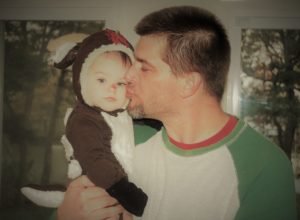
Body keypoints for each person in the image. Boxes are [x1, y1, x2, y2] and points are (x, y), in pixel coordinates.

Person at [55, 6, 297, 220]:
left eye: (144, 67)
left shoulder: (264, 166)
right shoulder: (122, 137)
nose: (127, 76)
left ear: (188, 84)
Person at [22, 29, 147, 217]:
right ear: (82, 81)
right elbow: (95, 159)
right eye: (102, 79)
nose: (112, 88)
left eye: (121, 83)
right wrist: (125, 191)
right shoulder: (84, 120)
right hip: (99, 183)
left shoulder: (124, 116)